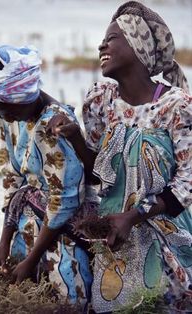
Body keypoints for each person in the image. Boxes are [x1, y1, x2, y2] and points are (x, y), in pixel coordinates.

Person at [47, 1, 192, 312]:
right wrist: (75, 137)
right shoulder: (101, 102)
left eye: (111, 38)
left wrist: (134, 216)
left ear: (138, 45)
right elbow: (100, 174)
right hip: (115, 241)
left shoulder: (175, 106)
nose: (101, 44)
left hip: (167, 238)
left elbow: (187, 181)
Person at [0, 45, 98, 310]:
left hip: (64, 230)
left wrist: (32, 259)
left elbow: (64, 199)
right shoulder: (9, 117)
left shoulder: (56, 127)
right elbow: (11, 178)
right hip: (26, 222)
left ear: (20, 99)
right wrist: (4, 242)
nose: (3, 117)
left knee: (65, 298)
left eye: (5, 110)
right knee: (22, 294)